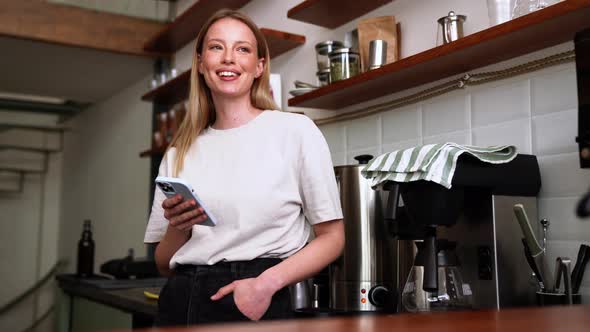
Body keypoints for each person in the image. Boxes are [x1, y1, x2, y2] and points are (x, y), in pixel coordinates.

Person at [143, 9, 344, 326]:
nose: (228, 59)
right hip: (180, 302)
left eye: (243, 49)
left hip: (256, 297)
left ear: (259, 66)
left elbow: (332, 237)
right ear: (200, 62)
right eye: (216, 47)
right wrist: (178, 228)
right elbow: (164, 264)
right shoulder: (178, 152)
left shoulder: (295, 131)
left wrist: (265, 284)